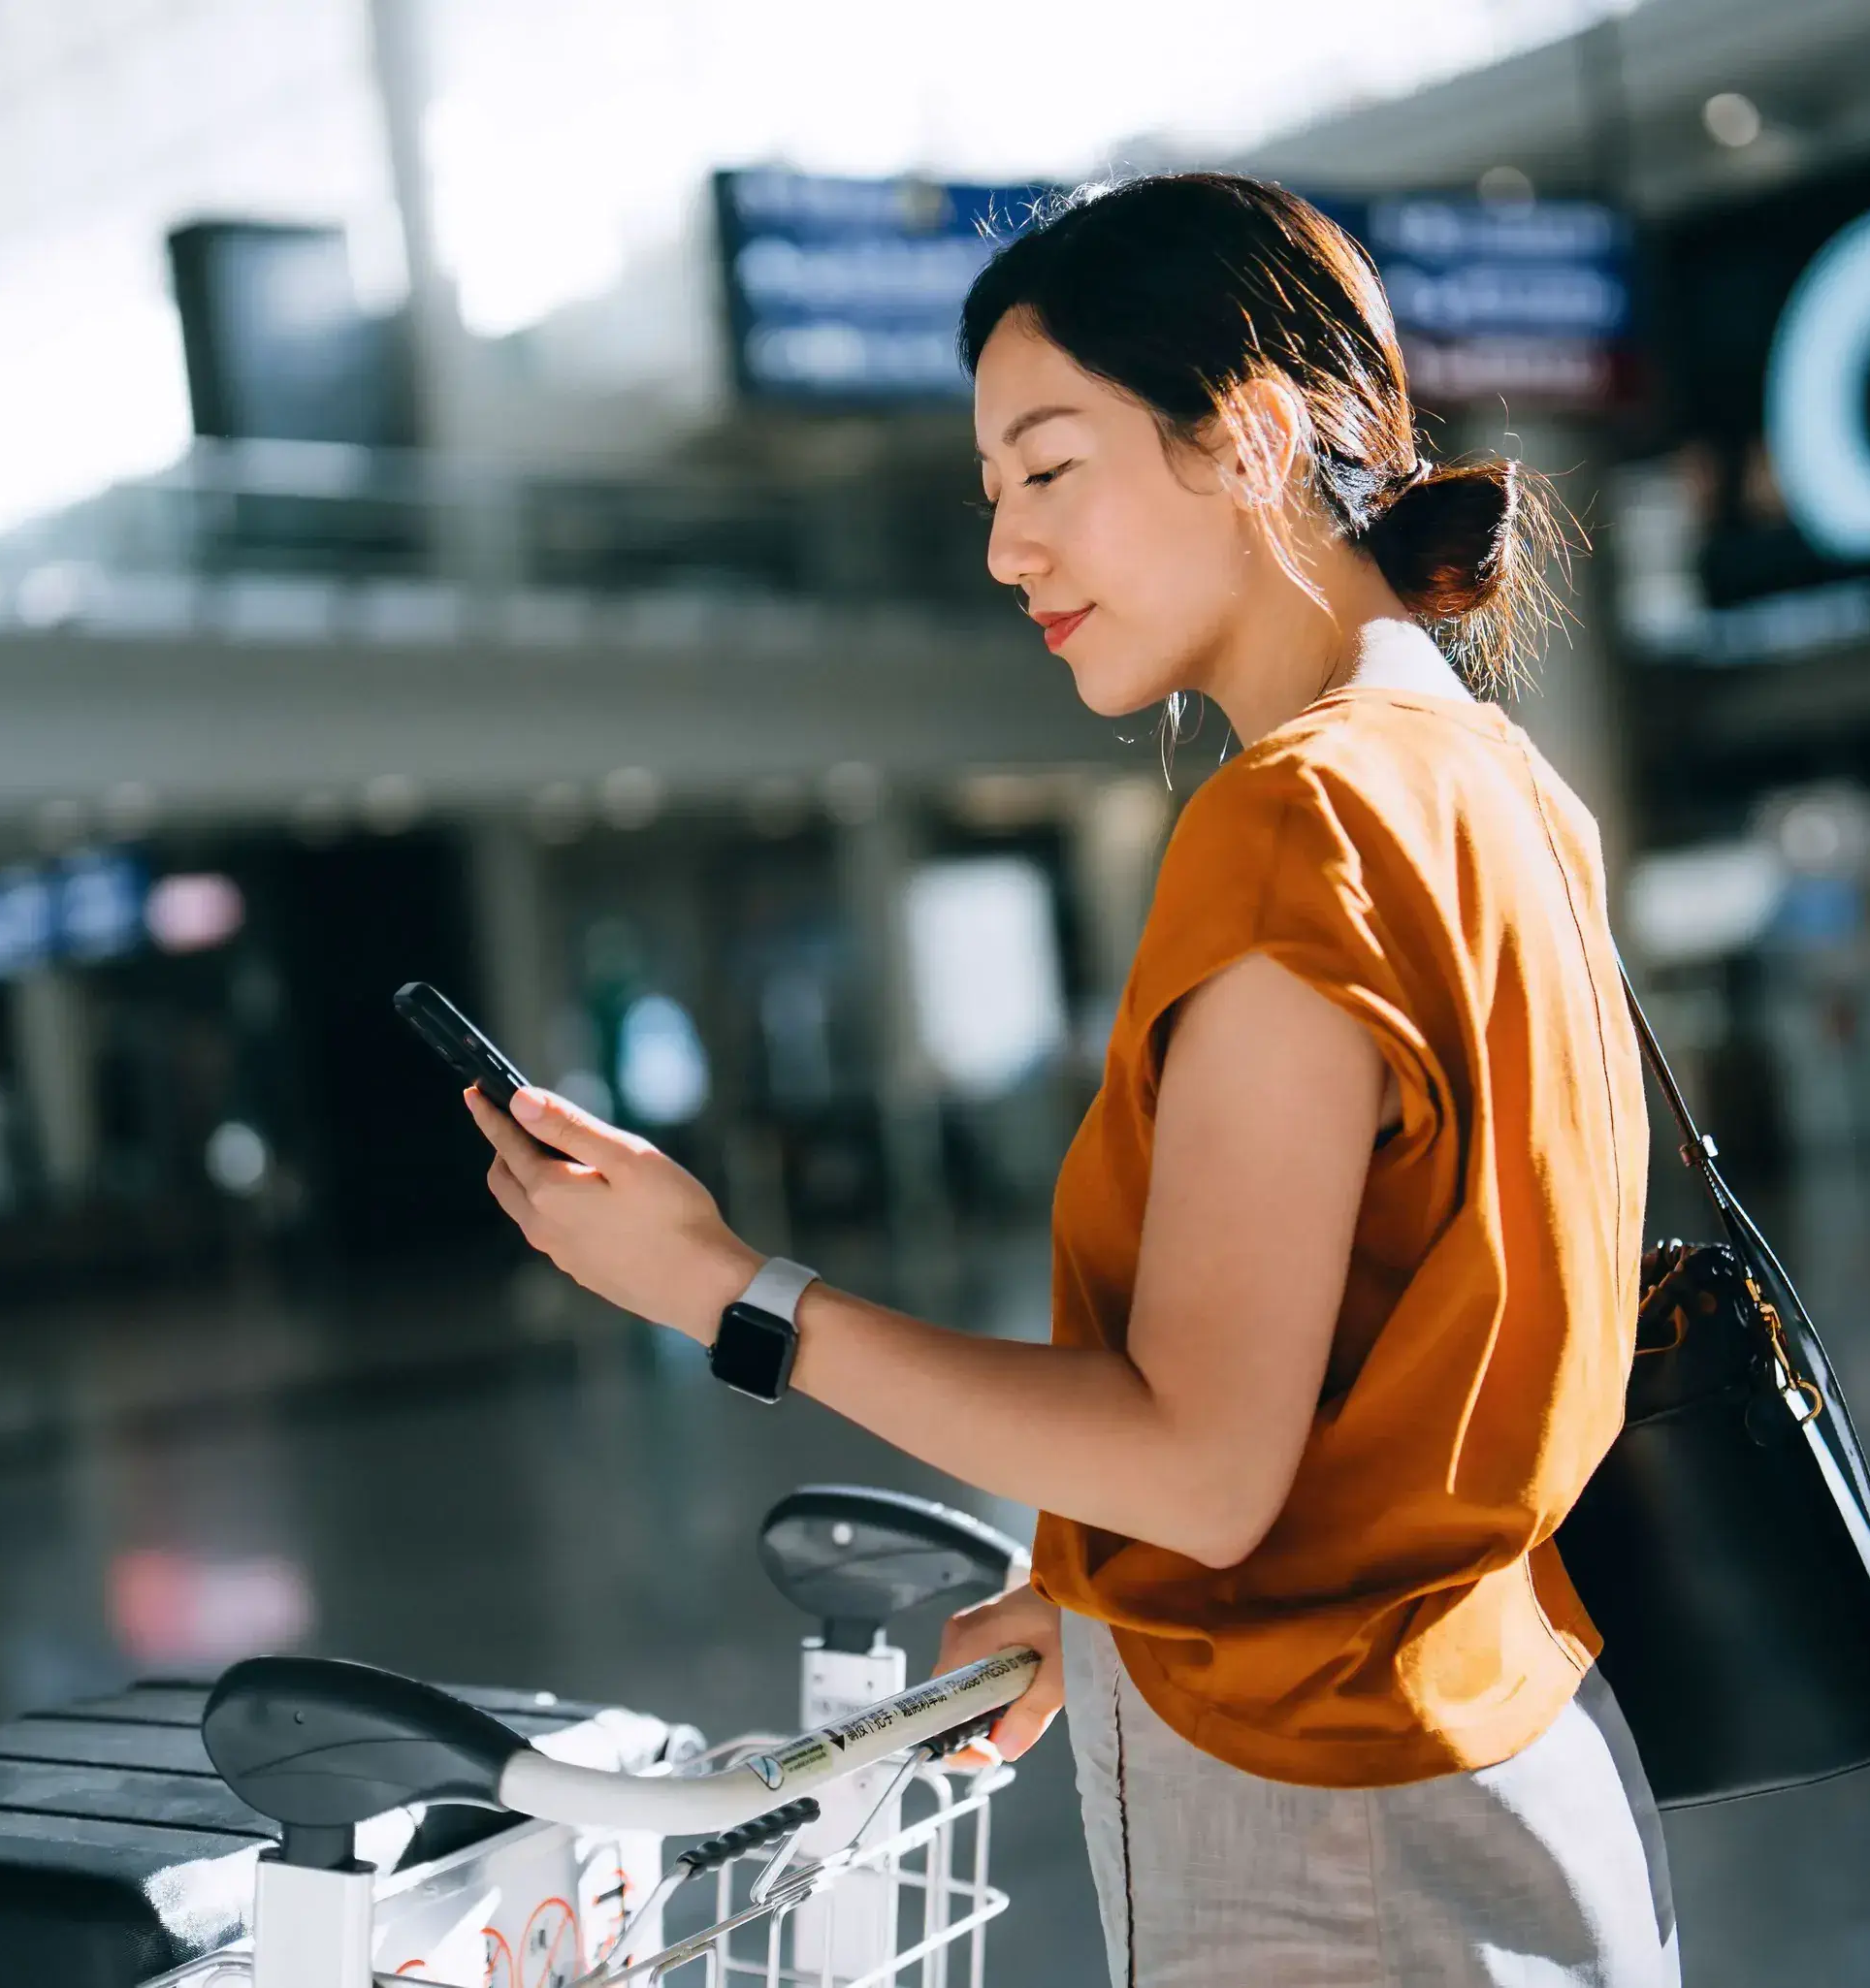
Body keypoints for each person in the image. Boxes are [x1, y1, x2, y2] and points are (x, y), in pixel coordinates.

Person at [460, 173, 1675, 1986]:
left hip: (1328, 1849)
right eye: (992, 495)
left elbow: (1203, 1467)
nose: (1006, 548)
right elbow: (1383, 1379)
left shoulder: (1297, 823)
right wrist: (1099, 1596)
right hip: (1505, 1763)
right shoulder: (1501, 787)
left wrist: (726, 1292)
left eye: (1049, 470)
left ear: (1248, 436)